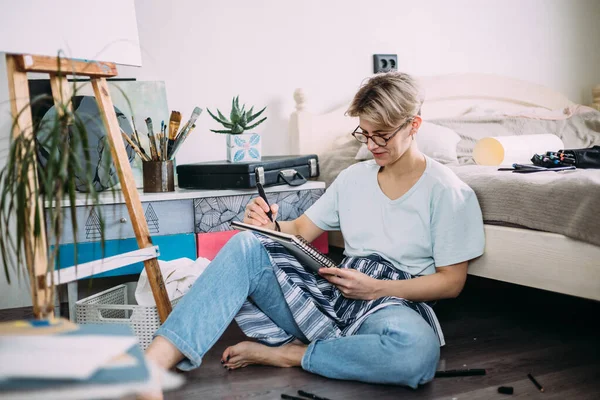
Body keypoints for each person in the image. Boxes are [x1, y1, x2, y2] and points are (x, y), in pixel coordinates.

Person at [145, 72, 485, 389]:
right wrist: (269, 224)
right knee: (248, 244)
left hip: (392, 302)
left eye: (382, 135)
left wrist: (376, 288)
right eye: (365, 134)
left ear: (414, 125)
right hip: (333, 293)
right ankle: (153, 365)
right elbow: (300, 230)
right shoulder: (353, 178)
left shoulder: (447, 191)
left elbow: (451, 283)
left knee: (416, 354)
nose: (372, 145)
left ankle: (294, 354)